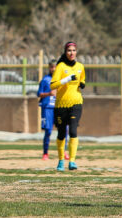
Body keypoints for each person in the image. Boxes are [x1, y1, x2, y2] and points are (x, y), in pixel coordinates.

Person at [50, 42, 85, 171]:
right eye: (69, 50)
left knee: (73, 131)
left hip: (76, 103)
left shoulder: (80, 66)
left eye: (74, 50)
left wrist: (82, 83)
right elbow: (53, 85)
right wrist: (66, 79)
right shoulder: (60, 67)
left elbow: (83, 78)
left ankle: (72, 161)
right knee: (61, 133)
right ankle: (60, 161)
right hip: (61, 105)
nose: (71, 53)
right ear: (65, 52)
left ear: (76, 52)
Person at [37, 60, 70, 161]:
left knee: (65, 130)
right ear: (49, 68)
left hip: (60, 107)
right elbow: (39, 94)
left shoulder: (62, 80)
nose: (53, 69)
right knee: (48, 131)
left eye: (55, 67)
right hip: (48, 108)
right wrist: (49, 94)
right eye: (52, 67)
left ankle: (63, 151)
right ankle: (45, 153)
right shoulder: (45, 80)